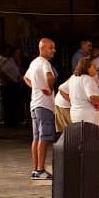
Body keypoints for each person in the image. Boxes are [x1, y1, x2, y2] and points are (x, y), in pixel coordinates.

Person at [23, 38, 57, 180]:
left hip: (35, 104)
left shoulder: (34, 62)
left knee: (36, 138)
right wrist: (49, 87)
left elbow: (26, 77)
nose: (53, 50)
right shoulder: (45, 63)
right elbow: (50, 76)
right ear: (42, 48)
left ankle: (36, 169)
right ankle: (40, 169)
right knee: (44, 137)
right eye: (51, 47)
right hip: (44, 105)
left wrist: (35, 87)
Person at [69, 57, 99, 126]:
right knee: (90, 136)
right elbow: (92, 97)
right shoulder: (87, 79)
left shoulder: (73, 78)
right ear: (87, 67)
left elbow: (62, 89)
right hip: (88, 118)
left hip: (75, 115)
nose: (96, 69)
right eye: (94, 66)